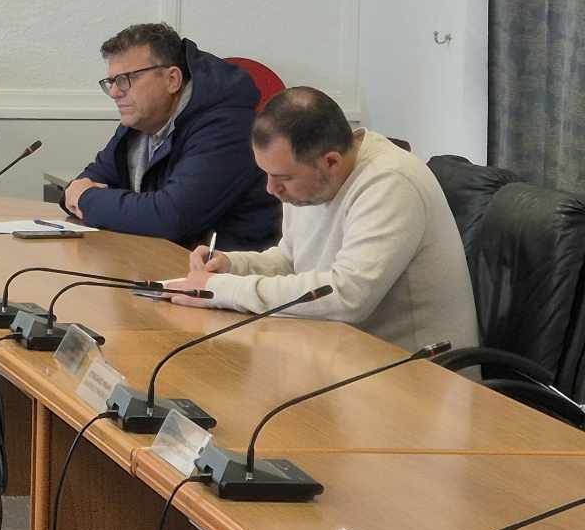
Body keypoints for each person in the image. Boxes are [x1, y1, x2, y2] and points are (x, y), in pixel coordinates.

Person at [171, 87, 477, 352]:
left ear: (331, 161)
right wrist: (233, 266)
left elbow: (347, 297)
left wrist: (223, 289)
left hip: (418, 374)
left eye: (283, 178)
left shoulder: (392, 182)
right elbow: (291, 261)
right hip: (342, 353)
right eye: (267, 174)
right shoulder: (313, 179)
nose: (271, 189)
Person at [64, 22, 279, 250]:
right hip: (159, 256)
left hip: (225, 267)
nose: (115, 92)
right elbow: (79, 186)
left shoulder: (227, 127)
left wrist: (86, 199)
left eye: (126, 79)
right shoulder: (140, 121)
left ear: (172, 80)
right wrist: (81, 195)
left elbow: (171, 217)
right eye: (111, 82)